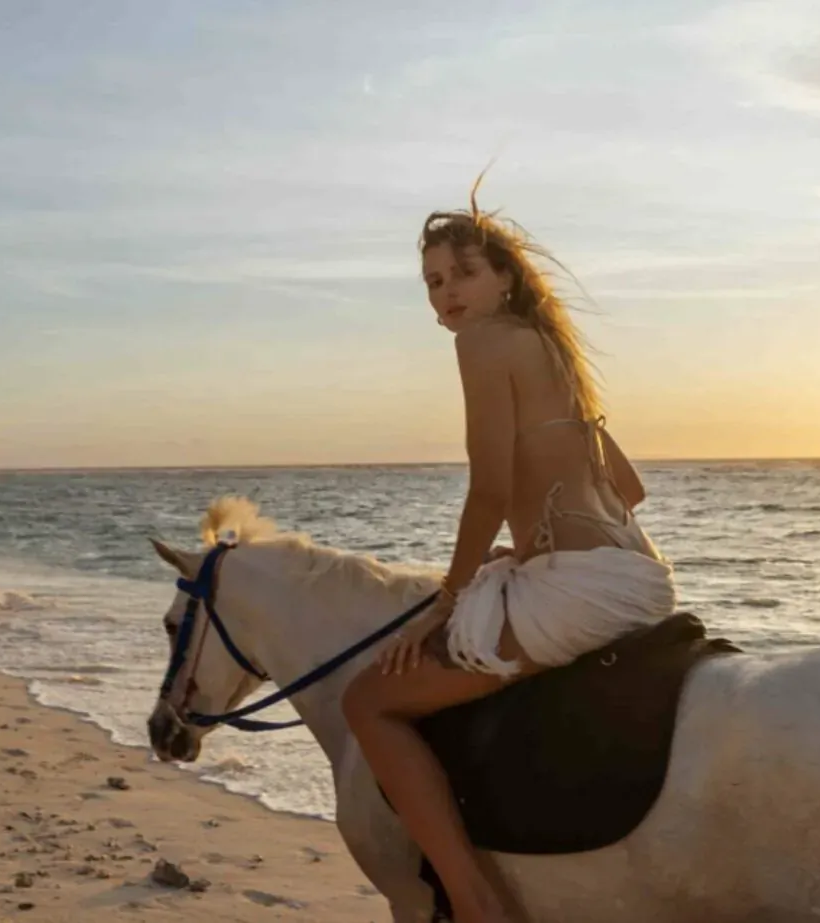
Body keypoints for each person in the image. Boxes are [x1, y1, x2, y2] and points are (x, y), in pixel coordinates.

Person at [341, 198, 676, 923]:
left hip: (583, 591)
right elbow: (631, 490)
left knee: (367, 700)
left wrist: (444, 602)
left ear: (504, 279)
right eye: (432, 281)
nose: (447, 291)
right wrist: (528, 550)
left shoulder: (485, 342)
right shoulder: (554, 350)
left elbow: (489, 489)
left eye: (463, 272)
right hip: (637, 578)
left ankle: (472, 899)